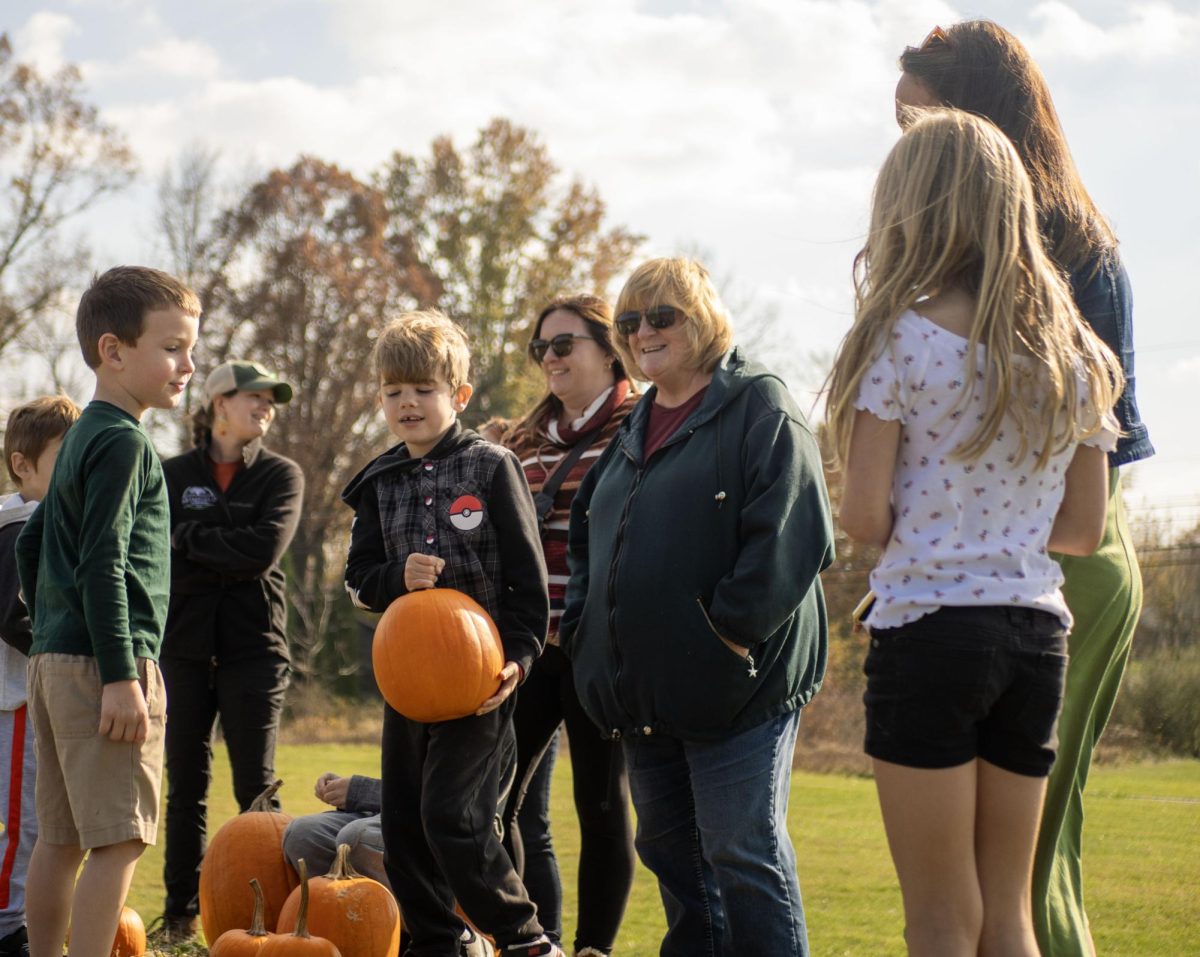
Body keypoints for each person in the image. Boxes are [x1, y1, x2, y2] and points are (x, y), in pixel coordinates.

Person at [826, 109, 1122, 956]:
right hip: (1035, 636)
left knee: (942, 922)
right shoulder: (1075, 354)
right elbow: (1083, 530)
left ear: (908, 210)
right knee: (1010, 915)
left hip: (928, 633)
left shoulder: (897, 336)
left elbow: (864, 517)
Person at [894, 22, 1153, 956]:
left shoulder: (1064, 250)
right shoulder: (978, 254)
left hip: (1045, 563)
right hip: (1019, 566)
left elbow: (1096, 464)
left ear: (973, 127)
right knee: (999, 875)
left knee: (1016, 866)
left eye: (917, 129)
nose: (905, 156)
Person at [561, 257, 834, 957]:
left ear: (702, 318)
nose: (642, 332)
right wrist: (588, 635)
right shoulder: (634, 425)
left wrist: (727, 634)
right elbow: (592, 532)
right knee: (671, 851)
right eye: (629, 322)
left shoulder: (757, 402)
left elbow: (794, 529)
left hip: (738, 685)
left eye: (661, 316)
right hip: (647, 695)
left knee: (741, 851)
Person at [342, 310, 557, 957]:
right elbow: (358, 580)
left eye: (423, 389)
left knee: (453, 817)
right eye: (394, 391)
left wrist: (518, 661)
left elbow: (530, 585)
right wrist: (394, 577)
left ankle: (525, 939)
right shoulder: (378, 483)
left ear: (458, 395)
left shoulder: (492, 468)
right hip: (405, 681)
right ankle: (436, 943)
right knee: (406, 827)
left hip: (480, 682)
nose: (408, 402)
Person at [16, 266, 200, 957]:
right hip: (105, 664)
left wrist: (49, 627)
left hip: (57, 657)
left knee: (61, 840)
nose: (187, 364)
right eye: (174, 347)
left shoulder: (83, 433)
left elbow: (32, 542)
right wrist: (122, 673)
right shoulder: (125, 440)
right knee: (120, 838)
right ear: (114, 351)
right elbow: (103, 561)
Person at [500, 295, 638, 957]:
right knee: (496, 803)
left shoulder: (642, 425)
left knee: (602, 805)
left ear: (608, 349)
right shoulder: (522, 439)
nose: (549, 358)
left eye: (564, 344)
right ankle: (530, 939)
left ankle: (593, 949)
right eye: (541, 348)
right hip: (529, 649)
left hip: (600, 649)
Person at [155, 360, 304, 941]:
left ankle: (263, 920)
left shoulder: (281, 476)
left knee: (257, 789)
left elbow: (260, 553)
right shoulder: (168, 475)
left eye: (272, 401)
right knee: (185, 786)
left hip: (255, 651)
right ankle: (179, 917)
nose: (266, 408)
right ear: (219, 403)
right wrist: (215, 549)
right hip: (184, 649)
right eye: (255, 398)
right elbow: (159, 558)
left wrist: (189, 538)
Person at [0, 396, 81, 957]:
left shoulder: (51, 518)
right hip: (17, 698)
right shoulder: (19, 523)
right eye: (63, 456)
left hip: (31, 695)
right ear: (22, 465)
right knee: (25, 823)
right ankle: (9, 929)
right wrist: (79, 649)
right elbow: (15, 615)